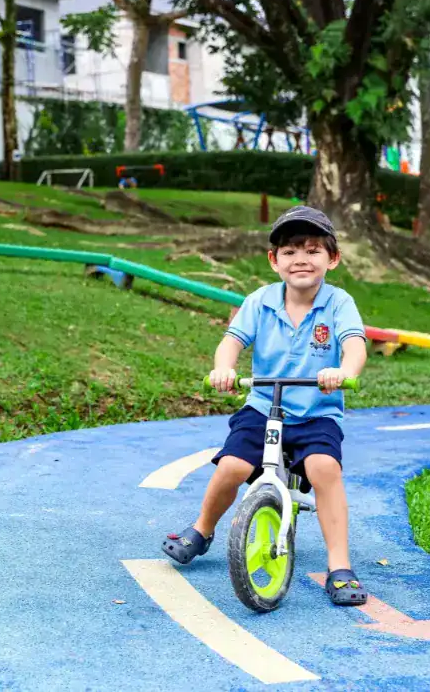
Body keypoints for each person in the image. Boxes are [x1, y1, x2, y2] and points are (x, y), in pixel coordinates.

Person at [161, 205, 370, 606]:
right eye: (290, 251)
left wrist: (342, 371)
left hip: (316, 411)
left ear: (333, 258)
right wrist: (223, 368)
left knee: (324, 468)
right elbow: (233, 341)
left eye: (313, 250)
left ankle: (340, 566)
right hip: (263, 405)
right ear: (274, 260)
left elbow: (354, 345)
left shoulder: (339, 303)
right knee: (232, 466)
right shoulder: (260, 300)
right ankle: (202, 530)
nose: (301, 259)